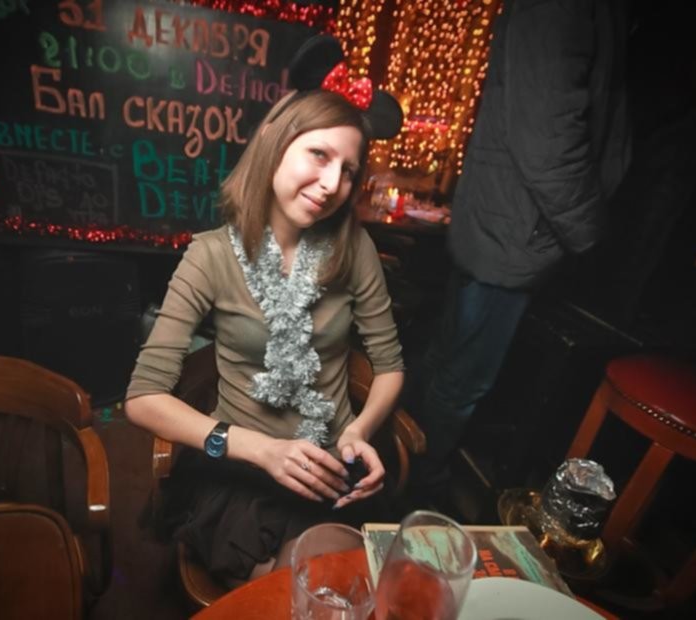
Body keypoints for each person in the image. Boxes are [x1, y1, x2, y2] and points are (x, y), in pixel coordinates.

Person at [125, 35, 405, 586]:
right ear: (277, 142)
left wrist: (360, 431)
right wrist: (257, 448)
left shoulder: (356, 248)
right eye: (319, 155)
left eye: (349, 170)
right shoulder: (209, 255)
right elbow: (143, 399)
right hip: (242, 471)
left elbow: (391, 367)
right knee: (295, 588)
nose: (333, 185)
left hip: (331, 470)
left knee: (328, 583)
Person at [410, 0, 632, 505]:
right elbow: (548, 140)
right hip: (516, 231)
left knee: (449, 366)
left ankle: (411, 470)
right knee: (460, 381)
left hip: (510, 225)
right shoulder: (559, 9)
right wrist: (591, 236)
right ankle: (420, 488)